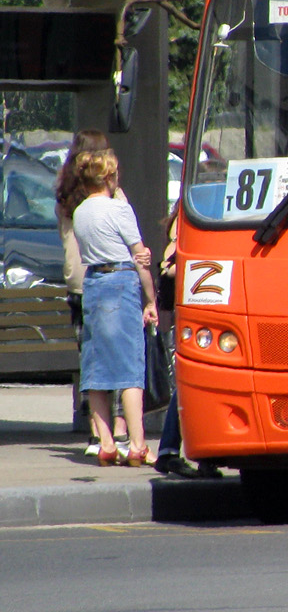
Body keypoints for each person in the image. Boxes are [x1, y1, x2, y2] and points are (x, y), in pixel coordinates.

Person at [56, 130, 148, 457]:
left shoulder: (71, 202)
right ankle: (130, 440)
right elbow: (136, 249)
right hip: (115, 279)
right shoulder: (113, 206)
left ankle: (101, 439)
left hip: (83, 281)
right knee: (126, 364)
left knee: (94, 363)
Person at [71, 148, 158, 467]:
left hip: (93, 283)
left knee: (95, 368)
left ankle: (106, 443)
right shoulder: (119, 209)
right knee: (130, 370)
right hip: (121, 281)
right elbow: (139, 257)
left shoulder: (80, 212)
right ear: (109, 177)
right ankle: (137, 445)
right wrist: (151, 299)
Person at [152, 212, 220, 479]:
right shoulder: (184, 228)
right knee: (190, 386)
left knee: (198, 386)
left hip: (206, 315)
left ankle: (198, 455)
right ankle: (176, 452)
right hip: (193, 318)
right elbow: (168, 267)